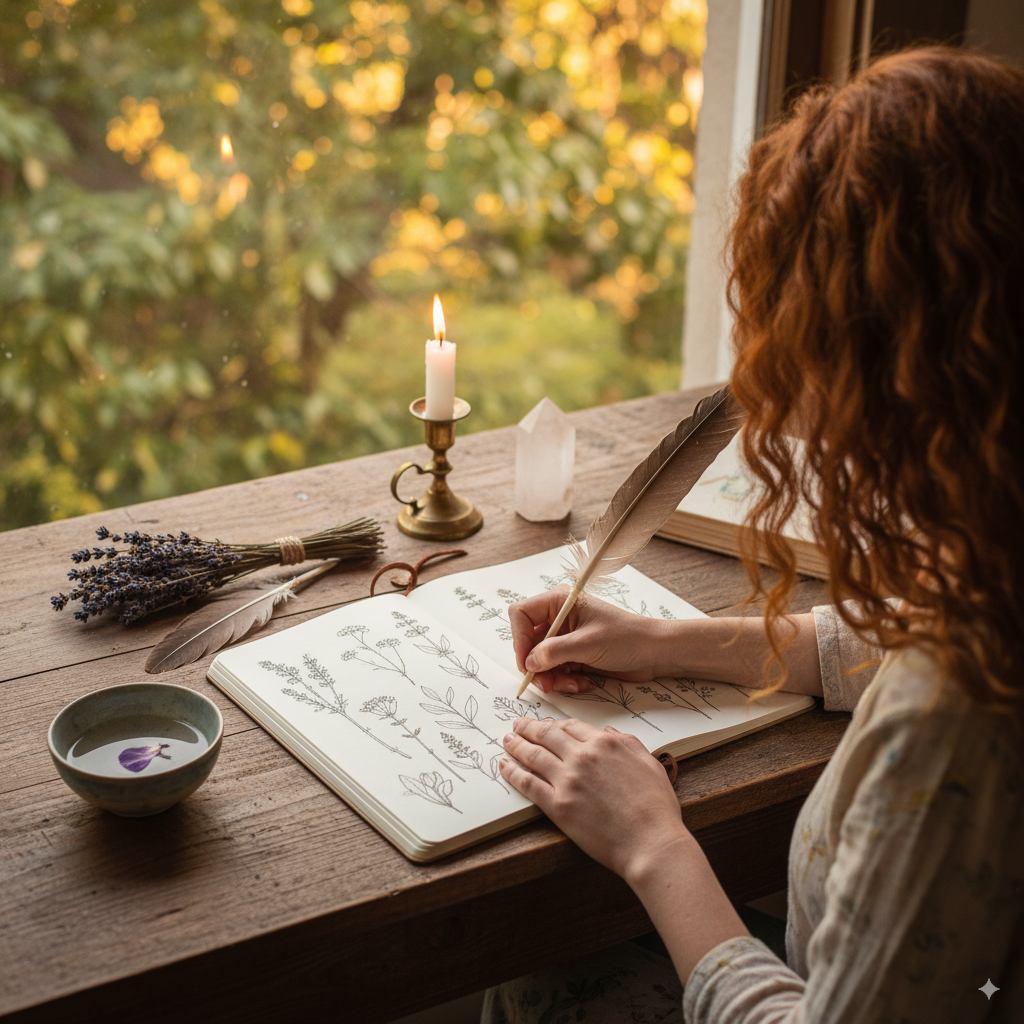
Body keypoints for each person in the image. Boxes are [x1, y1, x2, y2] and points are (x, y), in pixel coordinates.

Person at [484, 47, 1024, 1024]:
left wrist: (655, 845)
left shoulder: (952, 728)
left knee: (542, 983)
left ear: (894, 368)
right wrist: (678, 642)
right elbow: (940, 627)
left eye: (799, 331)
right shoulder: (997, 548)